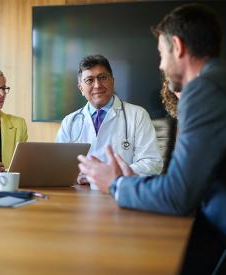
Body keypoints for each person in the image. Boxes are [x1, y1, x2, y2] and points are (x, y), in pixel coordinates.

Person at [78, 4, 226, 274]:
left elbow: (177, 195)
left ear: (178, 47)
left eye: (161, 54)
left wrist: (116, 184)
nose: (160, 65)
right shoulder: (218, 82)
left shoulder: (203, 90)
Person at [56, 55, 163, 186]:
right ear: (81, 88)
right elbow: (60, 165)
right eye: (89, 80)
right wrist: (76, 174)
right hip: (80, 194)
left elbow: (152, 163)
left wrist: (114, 174)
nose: (97, 85)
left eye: (102, 77)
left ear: (112, 81)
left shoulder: (137, 114)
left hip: (122, 190)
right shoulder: (69, 122)